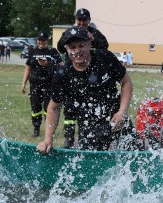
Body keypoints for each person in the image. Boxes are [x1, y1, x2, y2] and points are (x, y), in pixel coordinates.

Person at [37, 27, 139, 152]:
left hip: (117, 120)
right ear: (66, 49)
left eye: (81, 46)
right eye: (72, 48)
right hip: (89, 128)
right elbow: (54, 107)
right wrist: (48, 139)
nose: (77, 51)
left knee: (135, 156)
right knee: (92, 167)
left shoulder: (105, 58)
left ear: (89, 43)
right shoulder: (63, 74)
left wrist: (122, 112)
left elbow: (126, 82)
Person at [57, 8, 110, 148]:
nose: (81, 22)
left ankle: (86, 139)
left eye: (84, 20)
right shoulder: (70, 33)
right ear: (75, 20)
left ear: (89, 21)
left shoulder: (96, 34)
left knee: (86, 109)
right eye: (79, 19)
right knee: (69, 107)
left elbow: (104, 48)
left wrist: (93, 41)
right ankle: (68, 139)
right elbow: (59, 47)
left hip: (90, 76)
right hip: (71, 74)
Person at [21, 31, 60, 137]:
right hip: (35, 84)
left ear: (47, 40)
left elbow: (60, 66)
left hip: (49, 84)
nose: (41, 42)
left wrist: (49, 63)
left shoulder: (53, 51)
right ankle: (36, 128)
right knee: (35, 107)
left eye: (43, 40)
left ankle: (50, 130)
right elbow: (28, 67)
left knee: (49, 108)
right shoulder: (32, 50)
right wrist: (23, 83)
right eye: (39, 40)